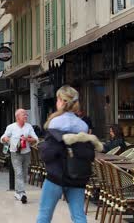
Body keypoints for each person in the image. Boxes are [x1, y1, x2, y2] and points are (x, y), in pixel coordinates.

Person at [36, 85, 103, 223]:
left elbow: (48, 153)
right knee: (78, 215)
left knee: (45, 214)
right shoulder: (83, 125)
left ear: (61, 101)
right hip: (76, 176)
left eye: (57, 99)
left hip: (56, 176)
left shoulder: (55, 122)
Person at [0, 109, 38, 203]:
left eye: (26, 115)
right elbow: (2, 138)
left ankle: (18, 192)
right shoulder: (11, 127)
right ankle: (22, 193)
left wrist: (28, 139)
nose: (26, 116)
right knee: (19, 173)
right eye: (23, 114)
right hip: (15, 153)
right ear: (17, 117)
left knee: (24, 174)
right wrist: (5, 138)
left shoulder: (29, 127)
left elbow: (36, 139)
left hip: (27, 153)